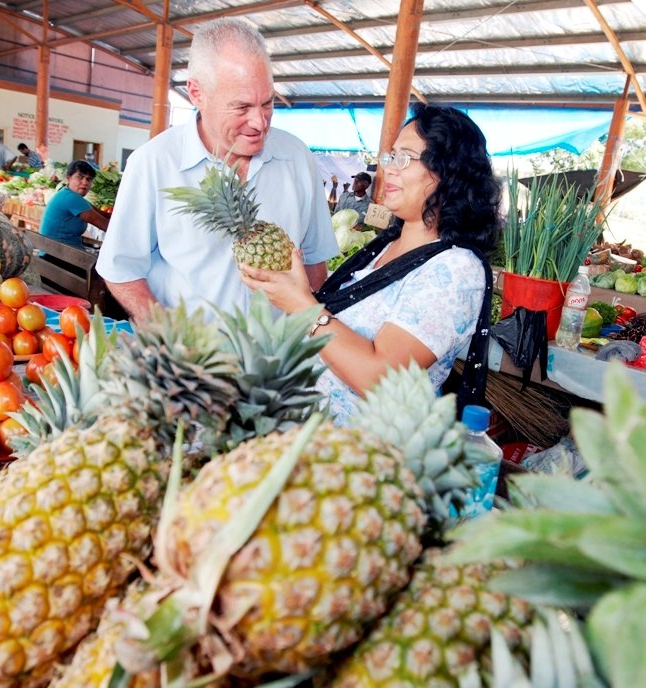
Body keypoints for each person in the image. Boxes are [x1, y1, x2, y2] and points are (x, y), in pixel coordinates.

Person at [240, 103, 500, 423]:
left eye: (403, 158)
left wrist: (301, 305)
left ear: (448, 172)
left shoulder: (455, 271)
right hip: (300, 433)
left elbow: (378, 379)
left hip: (358, 457)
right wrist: (298, 288)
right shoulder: (382, 247)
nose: (388, 168)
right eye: (390, 157)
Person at [95, 18, 337, 323]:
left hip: (276, 361)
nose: (260, 122)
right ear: (196, 93)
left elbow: (315, 263)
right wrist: (167, 334)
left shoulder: (298, 157)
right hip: (191, 360)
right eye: (241, 107)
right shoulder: (154, 163)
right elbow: (121, 269)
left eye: (267, 103)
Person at [39, 159, 110, 250]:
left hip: (60, 252)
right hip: (58, 256)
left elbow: (104, 215)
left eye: (88, 179)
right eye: (80, 177)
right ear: (68, 179)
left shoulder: (69, 195)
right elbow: (105, 225)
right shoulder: (70, 198)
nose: (85, 182)